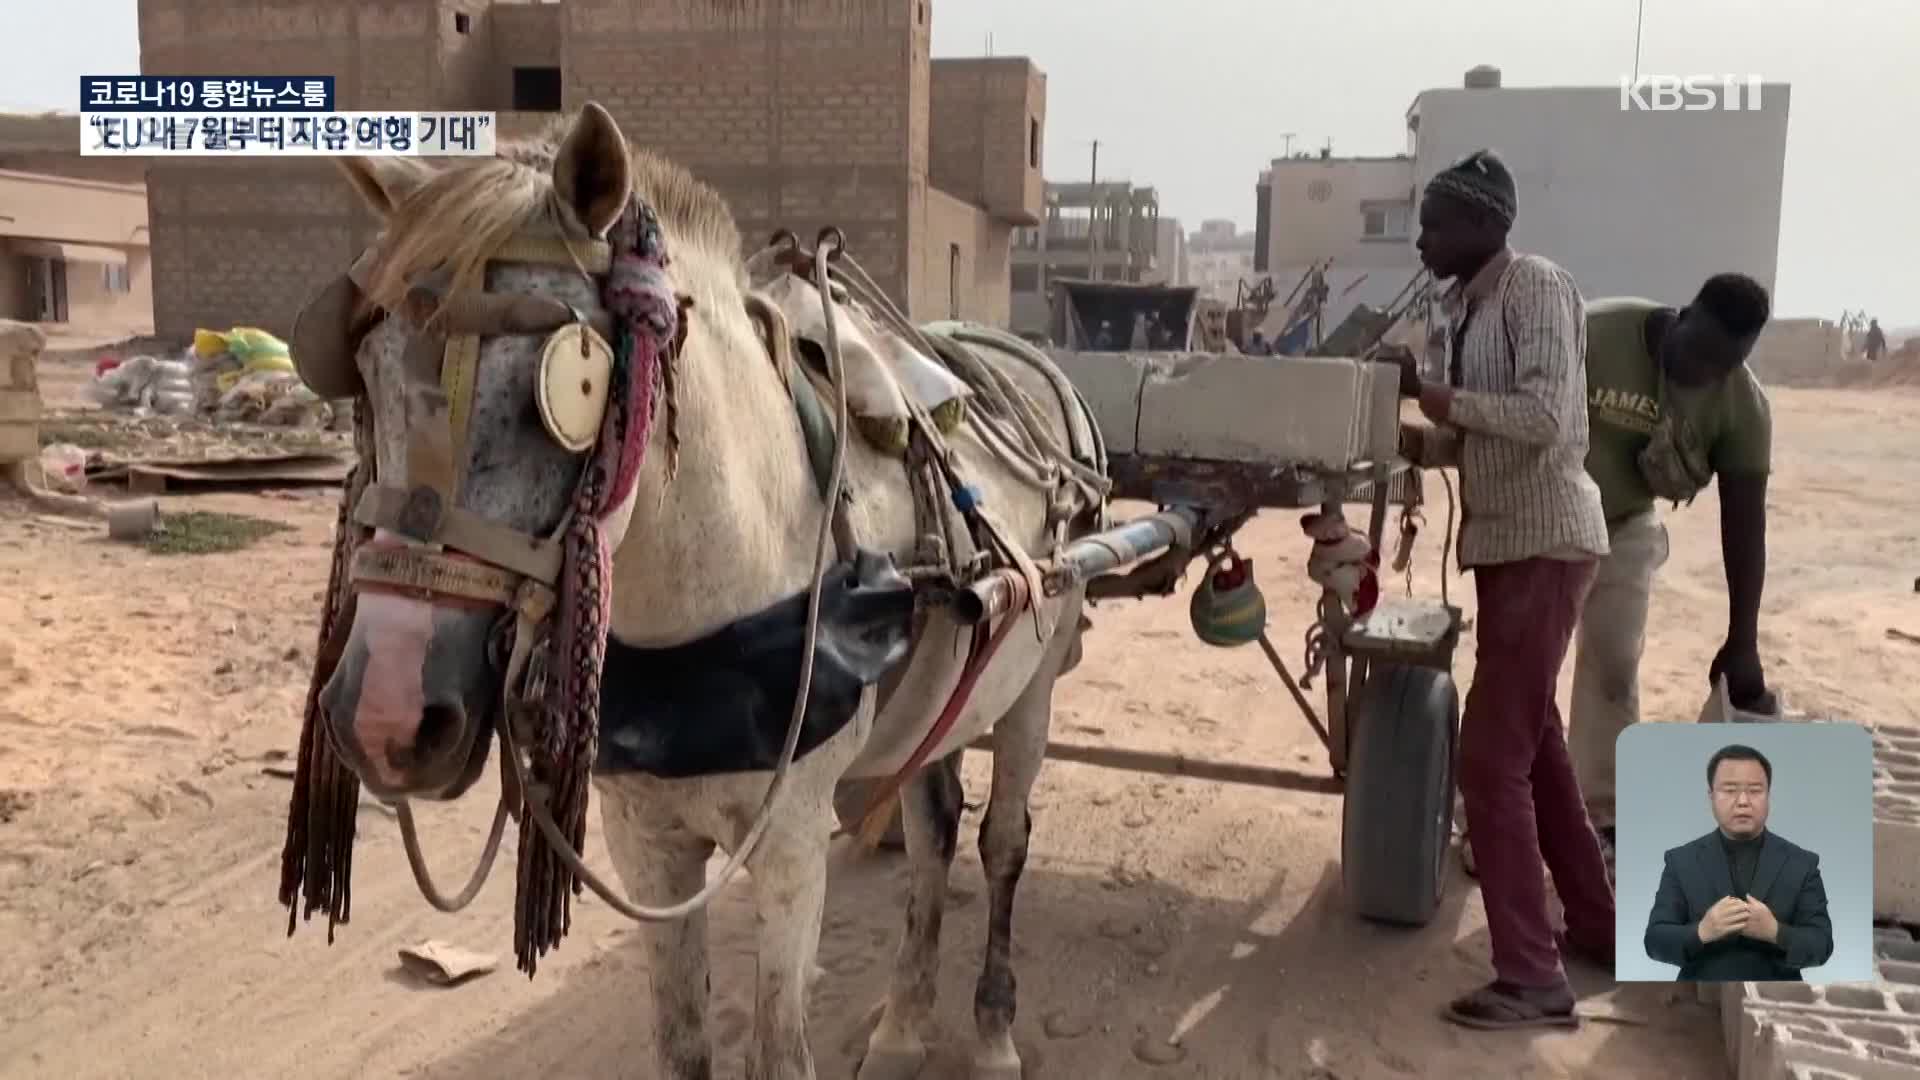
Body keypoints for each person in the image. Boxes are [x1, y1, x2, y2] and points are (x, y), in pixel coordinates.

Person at [1389, 149, 1617, 1030]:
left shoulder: (1536, 288)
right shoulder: (1473, 307)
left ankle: (1532, 975)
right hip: (1514, 553)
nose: (1423, 238)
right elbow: (1484, 439)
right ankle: (1593, 926)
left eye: (1436, 223)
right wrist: (1402, 437)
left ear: (1486, 224)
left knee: (1489, 761)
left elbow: (1547, 418)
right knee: (1538, 747)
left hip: (1545, 547)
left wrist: (1437, 399)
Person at [1573, 276, 1778, 877]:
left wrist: (1743, 639)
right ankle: (1491, 814)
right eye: (1700, 351)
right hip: (1546, 507)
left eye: (1726, 363)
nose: (1706, 371)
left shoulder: (1742, 405)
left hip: (1626, 523)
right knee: (1518, 668)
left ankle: (1598, 818)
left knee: (1613, 668)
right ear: (1680, 316)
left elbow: (1745, 525)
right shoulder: (1594, 331)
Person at [1644, 743, 1833, 981]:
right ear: (1711, 796)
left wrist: (1777, 933)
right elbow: (1655, 940)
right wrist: (1702, 931)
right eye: (1729, 790)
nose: (1743, 801)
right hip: (1700, 998)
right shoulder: (1681, 861)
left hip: (1776, 1000)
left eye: (1755, 790)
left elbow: (1822, 944)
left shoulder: (1802, 864)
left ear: (1768, 795)